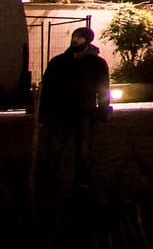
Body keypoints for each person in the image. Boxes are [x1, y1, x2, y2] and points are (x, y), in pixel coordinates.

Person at [39, 27, 111, 192]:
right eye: (74, 37)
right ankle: (50, 179)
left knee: (83, 150)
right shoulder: (59, 62)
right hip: (59, 111)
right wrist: (43, 111)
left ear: (87, 40)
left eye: (79, 38)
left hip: (83, 112)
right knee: (54, 148)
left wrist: (102, 110)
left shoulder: (97, 63)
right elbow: (47, 86)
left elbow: (103, 88)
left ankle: (82, 181)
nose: (75, 40)